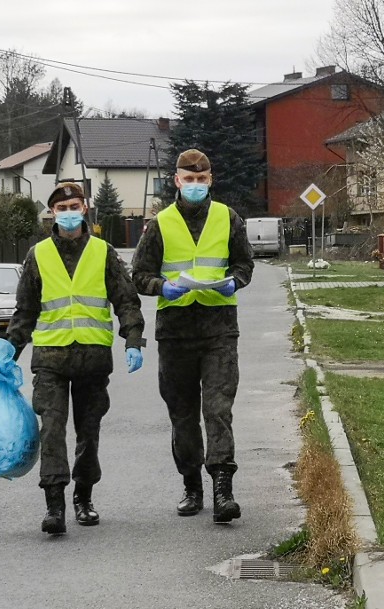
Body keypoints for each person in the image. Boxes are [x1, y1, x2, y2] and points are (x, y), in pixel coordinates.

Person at [4, 181, 146, 535]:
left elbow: (125, 299)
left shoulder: (103, 252)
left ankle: (84, 497)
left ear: (85, 209)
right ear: (52, 213)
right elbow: (26, 309)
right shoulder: (37, 255)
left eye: (74, 206)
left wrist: (133, 339)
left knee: (88, 432)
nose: (68, 213)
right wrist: (9, 346)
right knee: (51, 429)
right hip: (50, 358)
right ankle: (55, 506)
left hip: (92, 358)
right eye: (61, 208)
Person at [131, 149, 254, 524]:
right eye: (190, 179)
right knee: (182, 417)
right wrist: (161, 287)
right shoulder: (160, 224)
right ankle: (191, 486)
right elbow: (139, 274)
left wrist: (235, 280)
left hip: (219, 330)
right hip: (176, 334)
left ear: (211, 180)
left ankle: (222, 489)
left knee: (217, 411)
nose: (196, 185)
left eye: (202, 179)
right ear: (177, 182)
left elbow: (244, 263)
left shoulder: (228, 218)